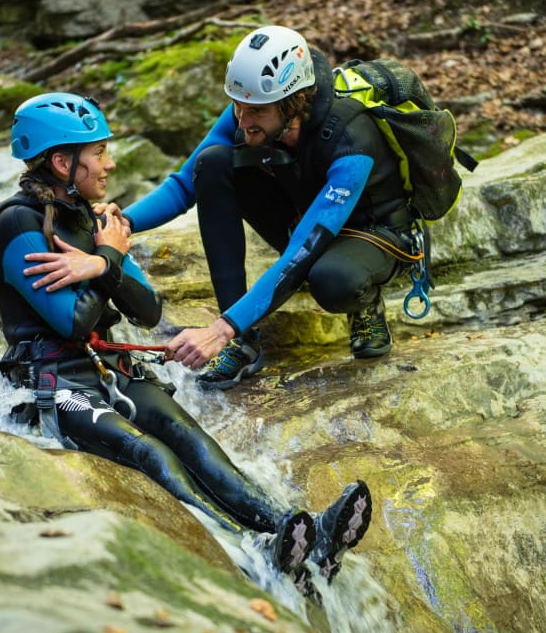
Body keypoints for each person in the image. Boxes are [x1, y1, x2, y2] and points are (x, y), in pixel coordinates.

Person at [0, 91, 372, 589]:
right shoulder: (17, 224)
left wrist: (104, 260)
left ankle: (298, 531)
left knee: (191, 438)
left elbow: (148, 311)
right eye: (99, 153)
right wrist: (108, 260)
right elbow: (75, 325)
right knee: (151, 454)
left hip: (111, 374)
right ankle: (256, 546)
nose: (110, 162)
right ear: (63, 162)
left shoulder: (92, 217)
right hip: (54, 384)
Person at [122, 25, 414, 390]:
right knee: (213, 163)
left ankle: (365, 304)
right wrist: (121, 221)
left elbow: (301, 253)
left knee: (332, 279)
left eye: (256, 111)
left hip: (375, 234)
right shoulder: (253, 110)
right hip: (307, 220)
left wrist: (220, 328)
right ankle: (244, 345)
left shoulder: (352, 136)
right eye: (237, 106)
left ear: (294, 103)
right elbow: (184, 185)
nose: (243, 123)